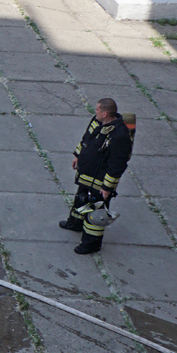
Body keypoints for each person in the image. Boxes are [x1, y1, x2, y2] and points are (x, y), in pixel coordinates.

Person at [60, 99, 134, 255]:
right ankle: (75, 223)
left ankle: (91, 243)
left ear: (105, 113)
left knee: (96, 211)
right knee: (81, 199)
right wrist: (77, 155)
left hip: (100, 181)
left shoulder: (119, 136)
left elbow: (117, 165)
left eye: (97, 110)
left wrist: (107, 188)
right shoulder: (96, 121)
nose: (95, 112)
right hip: (87, 174)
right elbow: (86, 139)